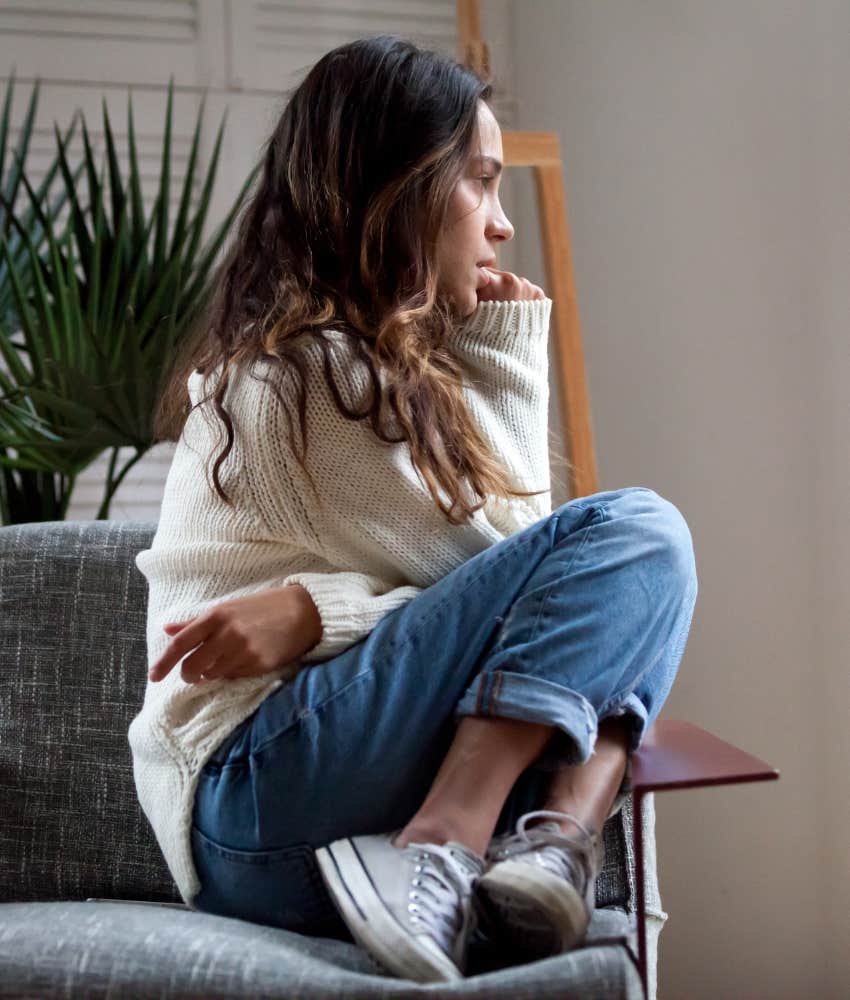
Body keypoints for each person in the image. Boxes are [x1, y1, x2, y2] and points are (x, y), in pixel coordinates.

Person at [128, 34, 698, 985]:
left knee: (617, 611)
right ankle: (463, 838)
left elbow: (533, 613)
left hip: (301, 808)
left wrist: (320, 611)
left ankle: (546, 853)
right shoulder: (305, 375)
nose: (502, 226)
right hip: (257, 790)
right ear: (398, 188)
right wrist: (513, 351)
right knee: (644, 537)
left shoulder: (382, 375)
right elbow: (530, 569)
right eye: (480, 182)